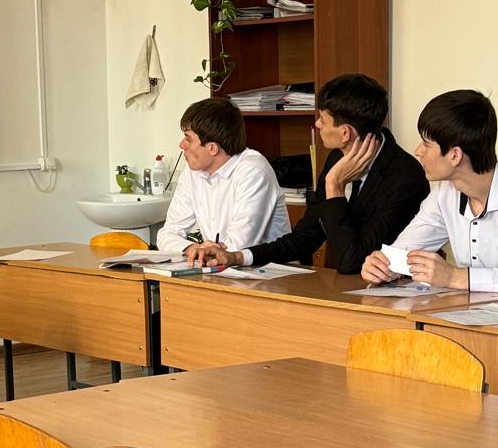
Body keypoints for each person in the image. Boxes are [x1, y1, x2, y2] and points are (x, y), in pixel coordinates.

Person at [189, 73, 428, 274]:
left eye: (323, 119)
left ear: (345, 133)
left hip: (391, 295)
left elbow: (352, 261)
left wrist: (334, 186)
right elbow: (305, 237)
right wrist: (237, 257)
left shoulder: (404, 178)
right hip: (340, 288)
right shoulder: (337, 157)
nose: (317, 125)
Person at [362, 89, 498, 289]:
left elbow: (455, 278)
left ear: (455, 155)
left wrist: (455, 277)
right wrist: (381, 266)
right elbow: (404, 253)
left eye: (426, 144)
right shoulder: (444, 193)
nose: (418, 151)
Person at [156, 98, 290, 259]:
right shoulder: (193, 170)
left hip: (267, 270)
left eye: (188, 139)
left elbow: (238, 246)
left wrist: (208, 251)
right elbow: (167, 234)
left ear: (212, 148)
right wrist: (192, 248)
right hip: (219, 268)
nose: (182, 145)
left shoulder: (253, 170)